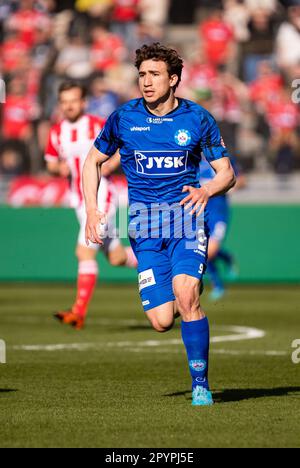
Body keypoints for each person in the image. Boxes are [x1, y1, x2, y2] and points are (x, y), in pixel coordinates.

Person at [83, 43, 236, 406]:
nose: (146, 82)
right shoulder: (123, 118)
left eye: (154, 75)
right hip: (145, 228)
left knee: (187, 296)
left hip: (186, 222)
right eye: (142, 75)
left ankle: (200, 384)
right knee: (162, 320)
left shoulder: (197, 118)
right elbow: (93, 162)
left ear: (174, 79)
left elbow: (226, 173)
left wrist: (207, 189)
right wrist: (92, 210)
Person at [45, 81, 137, 330]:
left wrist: (110, 164)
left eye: (73, 100)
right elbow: (51, 162)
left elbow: (122, 147)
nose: (68, 106)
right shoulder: (56, 131)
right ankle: (160, 261)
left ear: (83, 102)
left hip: (101, 196)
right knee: (116, 258)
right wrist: (58, 168)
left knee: (84, 252)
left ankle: (78, 312)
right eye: (64, 101)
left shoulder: (97, 125)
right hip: (79, 200)